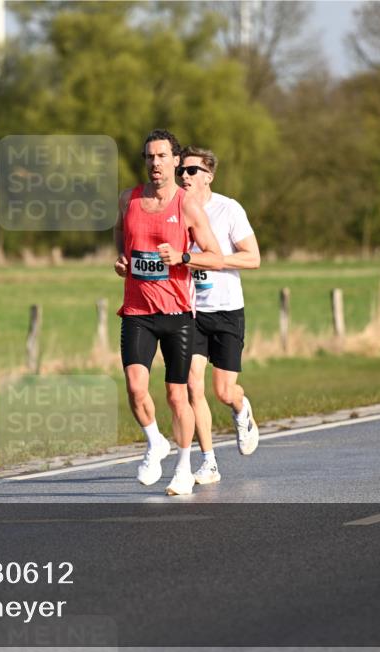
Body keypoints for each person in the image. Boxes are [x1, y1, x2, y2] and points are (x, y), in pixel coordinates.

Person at [114, 129, 223, 496]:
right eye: (149, 157)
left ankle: (182, 465)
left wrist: (183, 257)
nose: (155, 163)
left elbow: (216, 256)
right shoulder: (128, 199)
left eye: (162, 157)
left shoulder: (187, 205)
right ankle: (154, 442)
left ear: (176, 161)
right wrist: (122, 259)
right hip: (137, 310)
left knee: (178, 395)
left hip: (176, 313)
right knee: (134, 387)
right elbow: (120, 233)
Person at [177, 146, 261, 486]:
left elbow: (253, 258)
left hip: (226, 310)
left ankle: (242, 410)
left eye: (192, 170)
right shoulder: (176, 211)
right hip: (192, 311)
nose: (184, 175)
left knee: (224, 391)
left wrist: (209, 259)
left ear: (208, 176)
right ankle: (208, 462)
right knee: (192, 384)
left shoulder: (229, 209)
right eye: (181, 170)